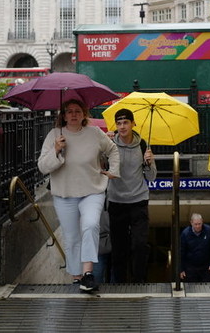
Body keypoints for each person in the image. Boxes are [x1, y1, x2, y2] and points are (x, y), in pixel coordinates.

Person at [37, 98, 119, 293]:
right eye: (69, 111)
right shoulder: (54, 135)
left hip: (93, 190)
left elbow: (113, 149)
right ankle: (77, 276)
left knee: (90, 225)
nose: (74, 114)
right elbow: (42, 167)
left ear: (84, 114)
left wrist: (113, 170)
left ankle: (88, 273)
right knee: (72, 236)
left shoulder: (94, 133)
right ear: (63, 115)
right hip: (64, 194)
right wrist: (56, 150)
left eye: (77, 111)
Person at [106, 108, 156, 283]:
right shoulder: (110, 144)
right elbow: (101, 169)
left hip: (138, 201)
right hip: (116, 201)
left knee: (140, 244)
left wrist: (149, 162)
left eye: (125, 122)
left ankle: (140, 281)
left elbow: (152, 177)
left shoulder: (143, 145)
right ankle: (120, 283)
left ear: (133, 123)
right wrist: (103, 149)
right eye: (119, 123)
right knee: (119, 247)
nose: (122, 126)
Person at [179, 213, 210, 282]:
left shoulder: (209, 230)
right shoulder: (185, 234)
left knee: (206, 288)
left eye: (199, 224)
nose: (197, 226)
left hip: (206, 266)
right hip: (190, 267)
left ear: (202, 222)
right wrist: (181, 269)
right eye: (195, 224)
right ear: (191, 223)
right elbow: (181, 252)